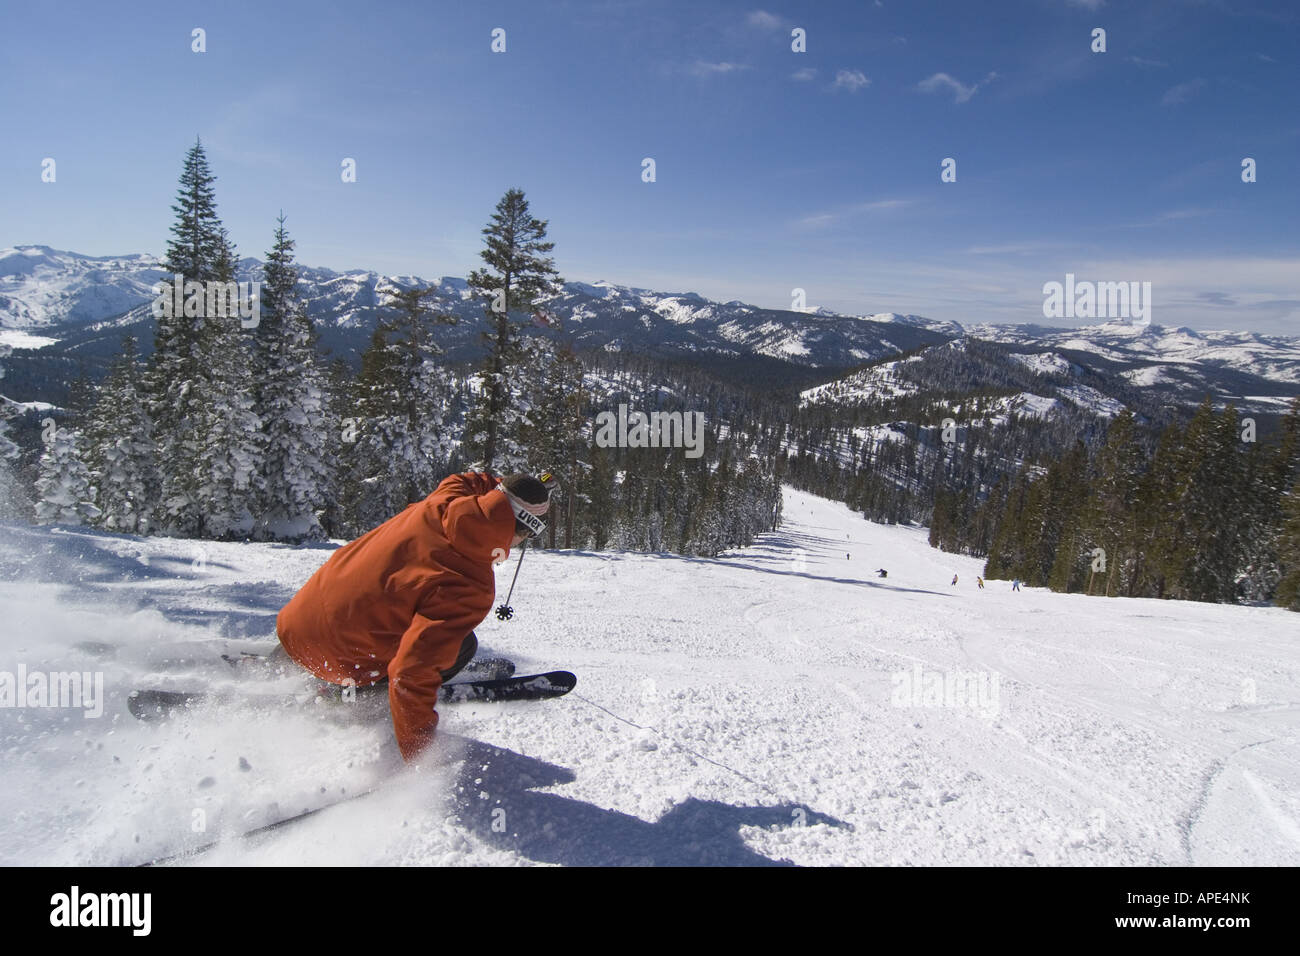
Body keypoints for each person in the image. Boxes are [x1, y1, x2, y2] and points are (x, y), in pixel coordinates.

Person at [274, 471, 554, 762]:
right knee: (463, 645)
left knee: (368, 612)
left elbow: (472, 480)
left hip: (296, 624)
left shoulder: (447, 499)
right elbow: (412, 673)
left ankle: (284, 660)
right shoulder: (471, 584)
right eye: (530, 534)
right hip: (339, 661)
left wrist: (512, 486)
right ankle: (349, 694)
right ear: (520, 529)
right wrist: (420, 758)